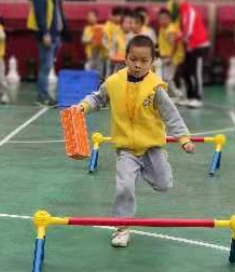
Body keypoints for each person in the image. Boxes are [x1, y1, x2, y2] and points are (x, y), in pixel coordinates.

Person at [76, 35, 195, 248]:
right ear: (125, 58)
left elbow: (171, 114)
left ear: (152, 62)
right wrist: (83, 107)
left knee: (164, 184)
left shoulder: (155, 88)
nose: (137, 65)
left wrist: (184, 138)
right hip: (126, 149)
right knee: (124, 187)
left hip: (152, 147)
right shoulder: (113, 82)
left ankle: (141, 170)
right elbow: (97, 98)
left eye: (143, 61)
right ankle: (122, 228)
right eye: (133, 59)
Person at [28, 0, 65, 106]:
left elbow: (58, 13)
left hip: (55, 35)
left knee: (48, 66)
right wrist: (45, 33)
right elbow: (40, 15)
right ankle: (42, 97)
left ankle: (45, 95)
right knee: (46, 66)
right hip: (46, 36)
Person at [177, 0, 209, 108]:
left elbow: (188, 31)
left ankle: (198, 98)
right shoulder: (182, 11)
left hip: (199, 46)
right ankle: (189, 97)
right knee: (187, 72)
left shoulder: (189, 11)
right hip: (190, 46)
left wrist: (178, 38)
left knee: (196, 73)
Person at [157, 7, 183, 98]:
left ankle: (176, 94)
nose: (162, 21)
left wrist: (170, 58)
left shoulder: (170, 30)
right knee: (165, 77)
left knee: (167, 78)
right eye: (160, 19)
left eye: (164, 19)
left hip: (171, 57)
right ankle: (173, 94)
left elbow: (174, 45)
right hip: (164, 56)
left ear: (169, 18)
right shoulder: (162, 28)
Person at [82, 10, 105, 77]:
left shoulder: (101, 28)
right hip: (90, 55)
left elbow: (104, 40)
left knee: (99, 73)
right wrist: (91, 39)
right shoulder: (87, 29)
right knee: (89, 71)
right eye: (89, 16)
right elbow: (84, 40)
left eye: (92, 16)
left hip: (99, 55)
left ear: (96, 17)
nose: (90, 18)